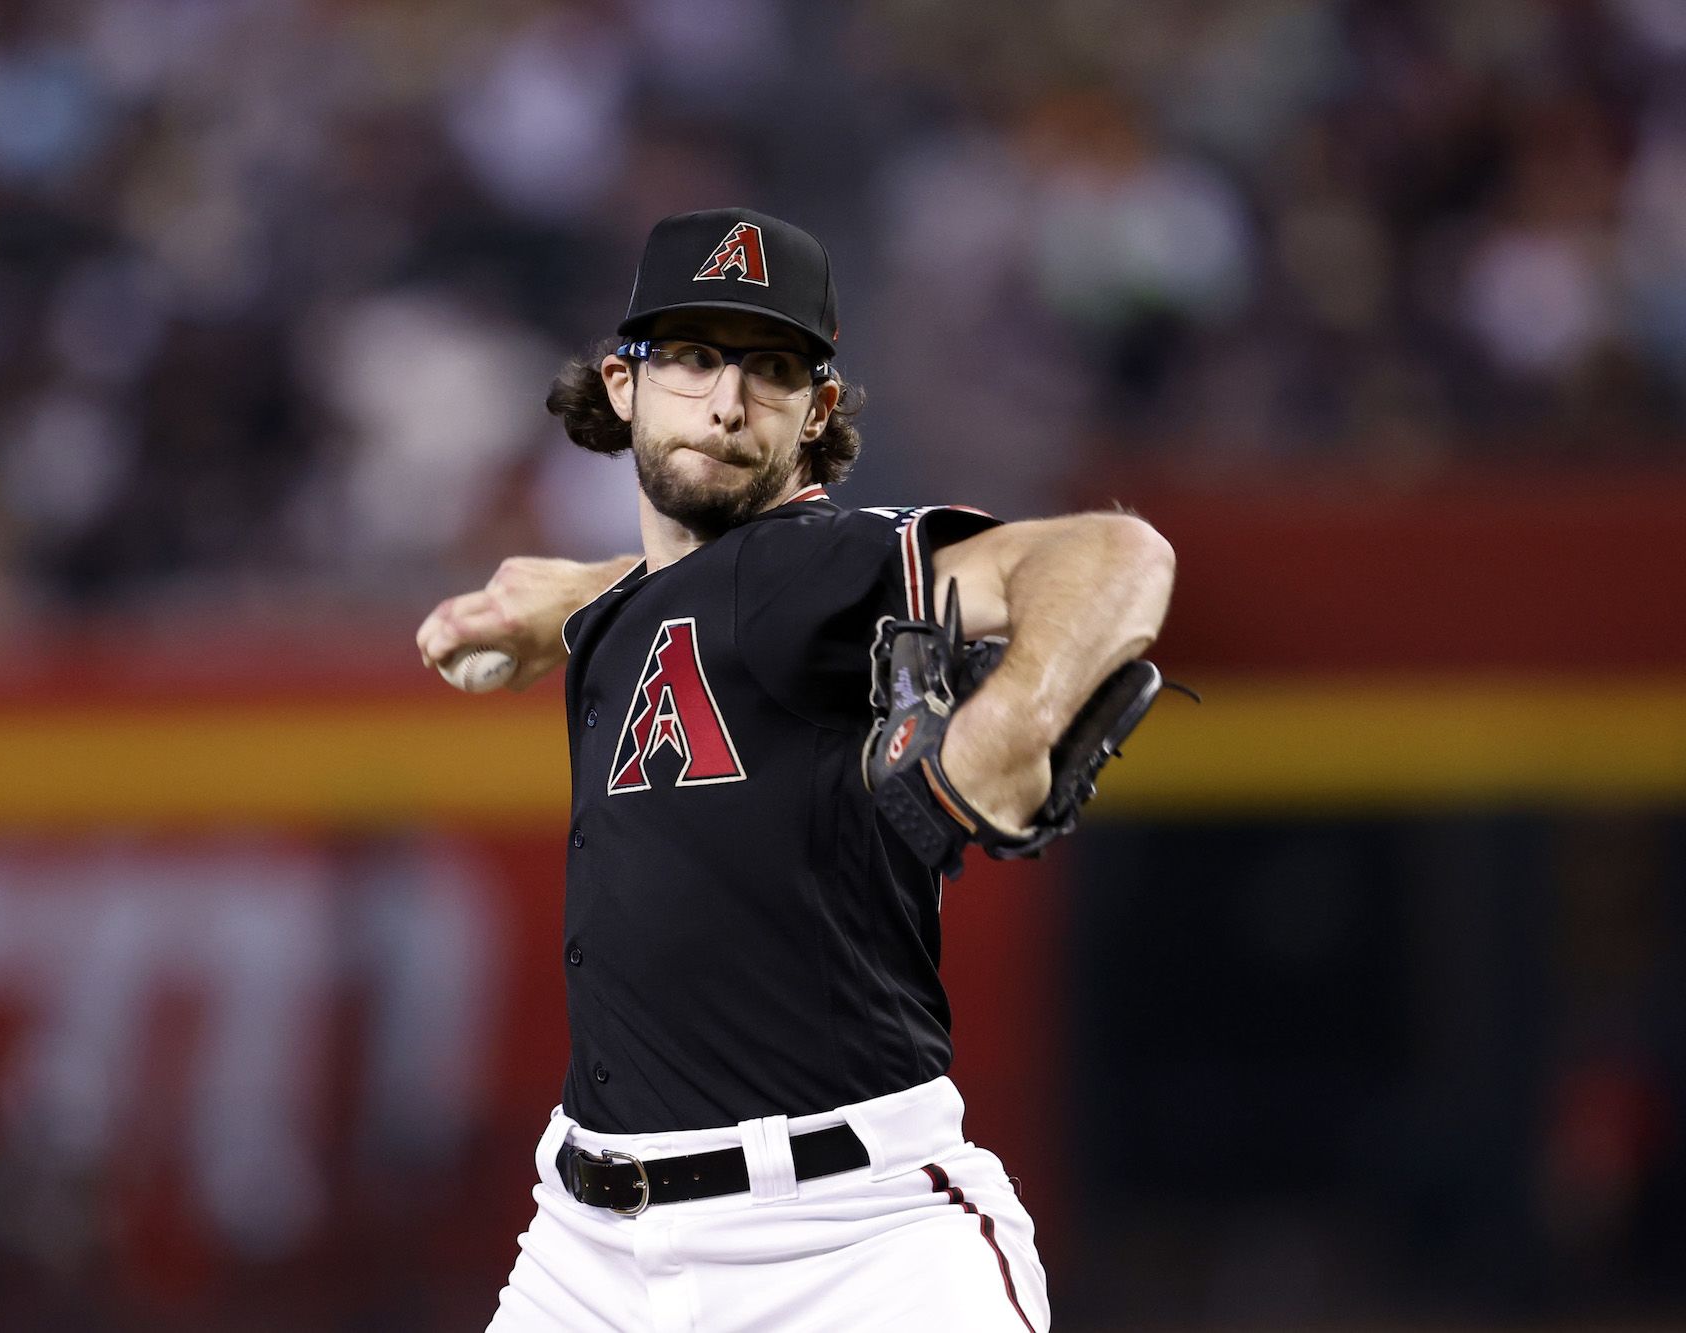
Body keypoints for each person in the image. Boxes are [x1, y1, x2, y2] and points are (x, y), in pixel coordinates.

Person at [417, 208, 1175, 1331]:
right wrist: (580, 597)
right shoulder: (654, 598)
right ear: (621, 387)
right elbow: (698, 592)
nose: (725, 402)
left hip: (848, 1247)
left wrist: (1011, 722)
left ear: (817, 413)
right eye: (689, 358)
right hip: (584, 1248)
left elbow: (1113, 554)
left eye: (771, 370)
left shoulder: (825, 563)